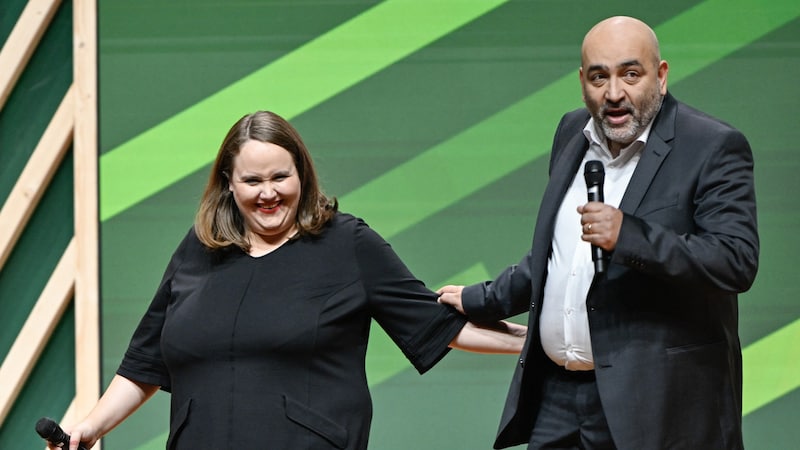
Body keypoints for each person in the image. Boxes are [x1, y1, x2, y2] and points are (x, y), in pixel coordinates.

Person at [48, 111, 526, 450]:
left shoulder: (346, 243)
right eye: (253, 181)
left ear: (303, 175)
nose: (269, 193)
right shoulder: (199, 249)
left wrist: (551, 341)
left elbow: (438, 326)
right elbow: (144, 365)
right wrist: (89, 428)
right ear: (229, 185)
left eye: (281, 176)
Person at [438, 16, 759, 450]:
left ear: (660, 76)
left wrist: (628, 236)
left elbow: (734, 261)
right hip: (558, 401)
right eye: (598, 77)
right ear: (582, 81)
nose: (613, 94)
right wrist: (486, 298)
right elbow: (560, 254)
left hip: (657, 407)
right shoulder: (572, 131)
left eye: (630, 74)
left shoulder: (712, 146)